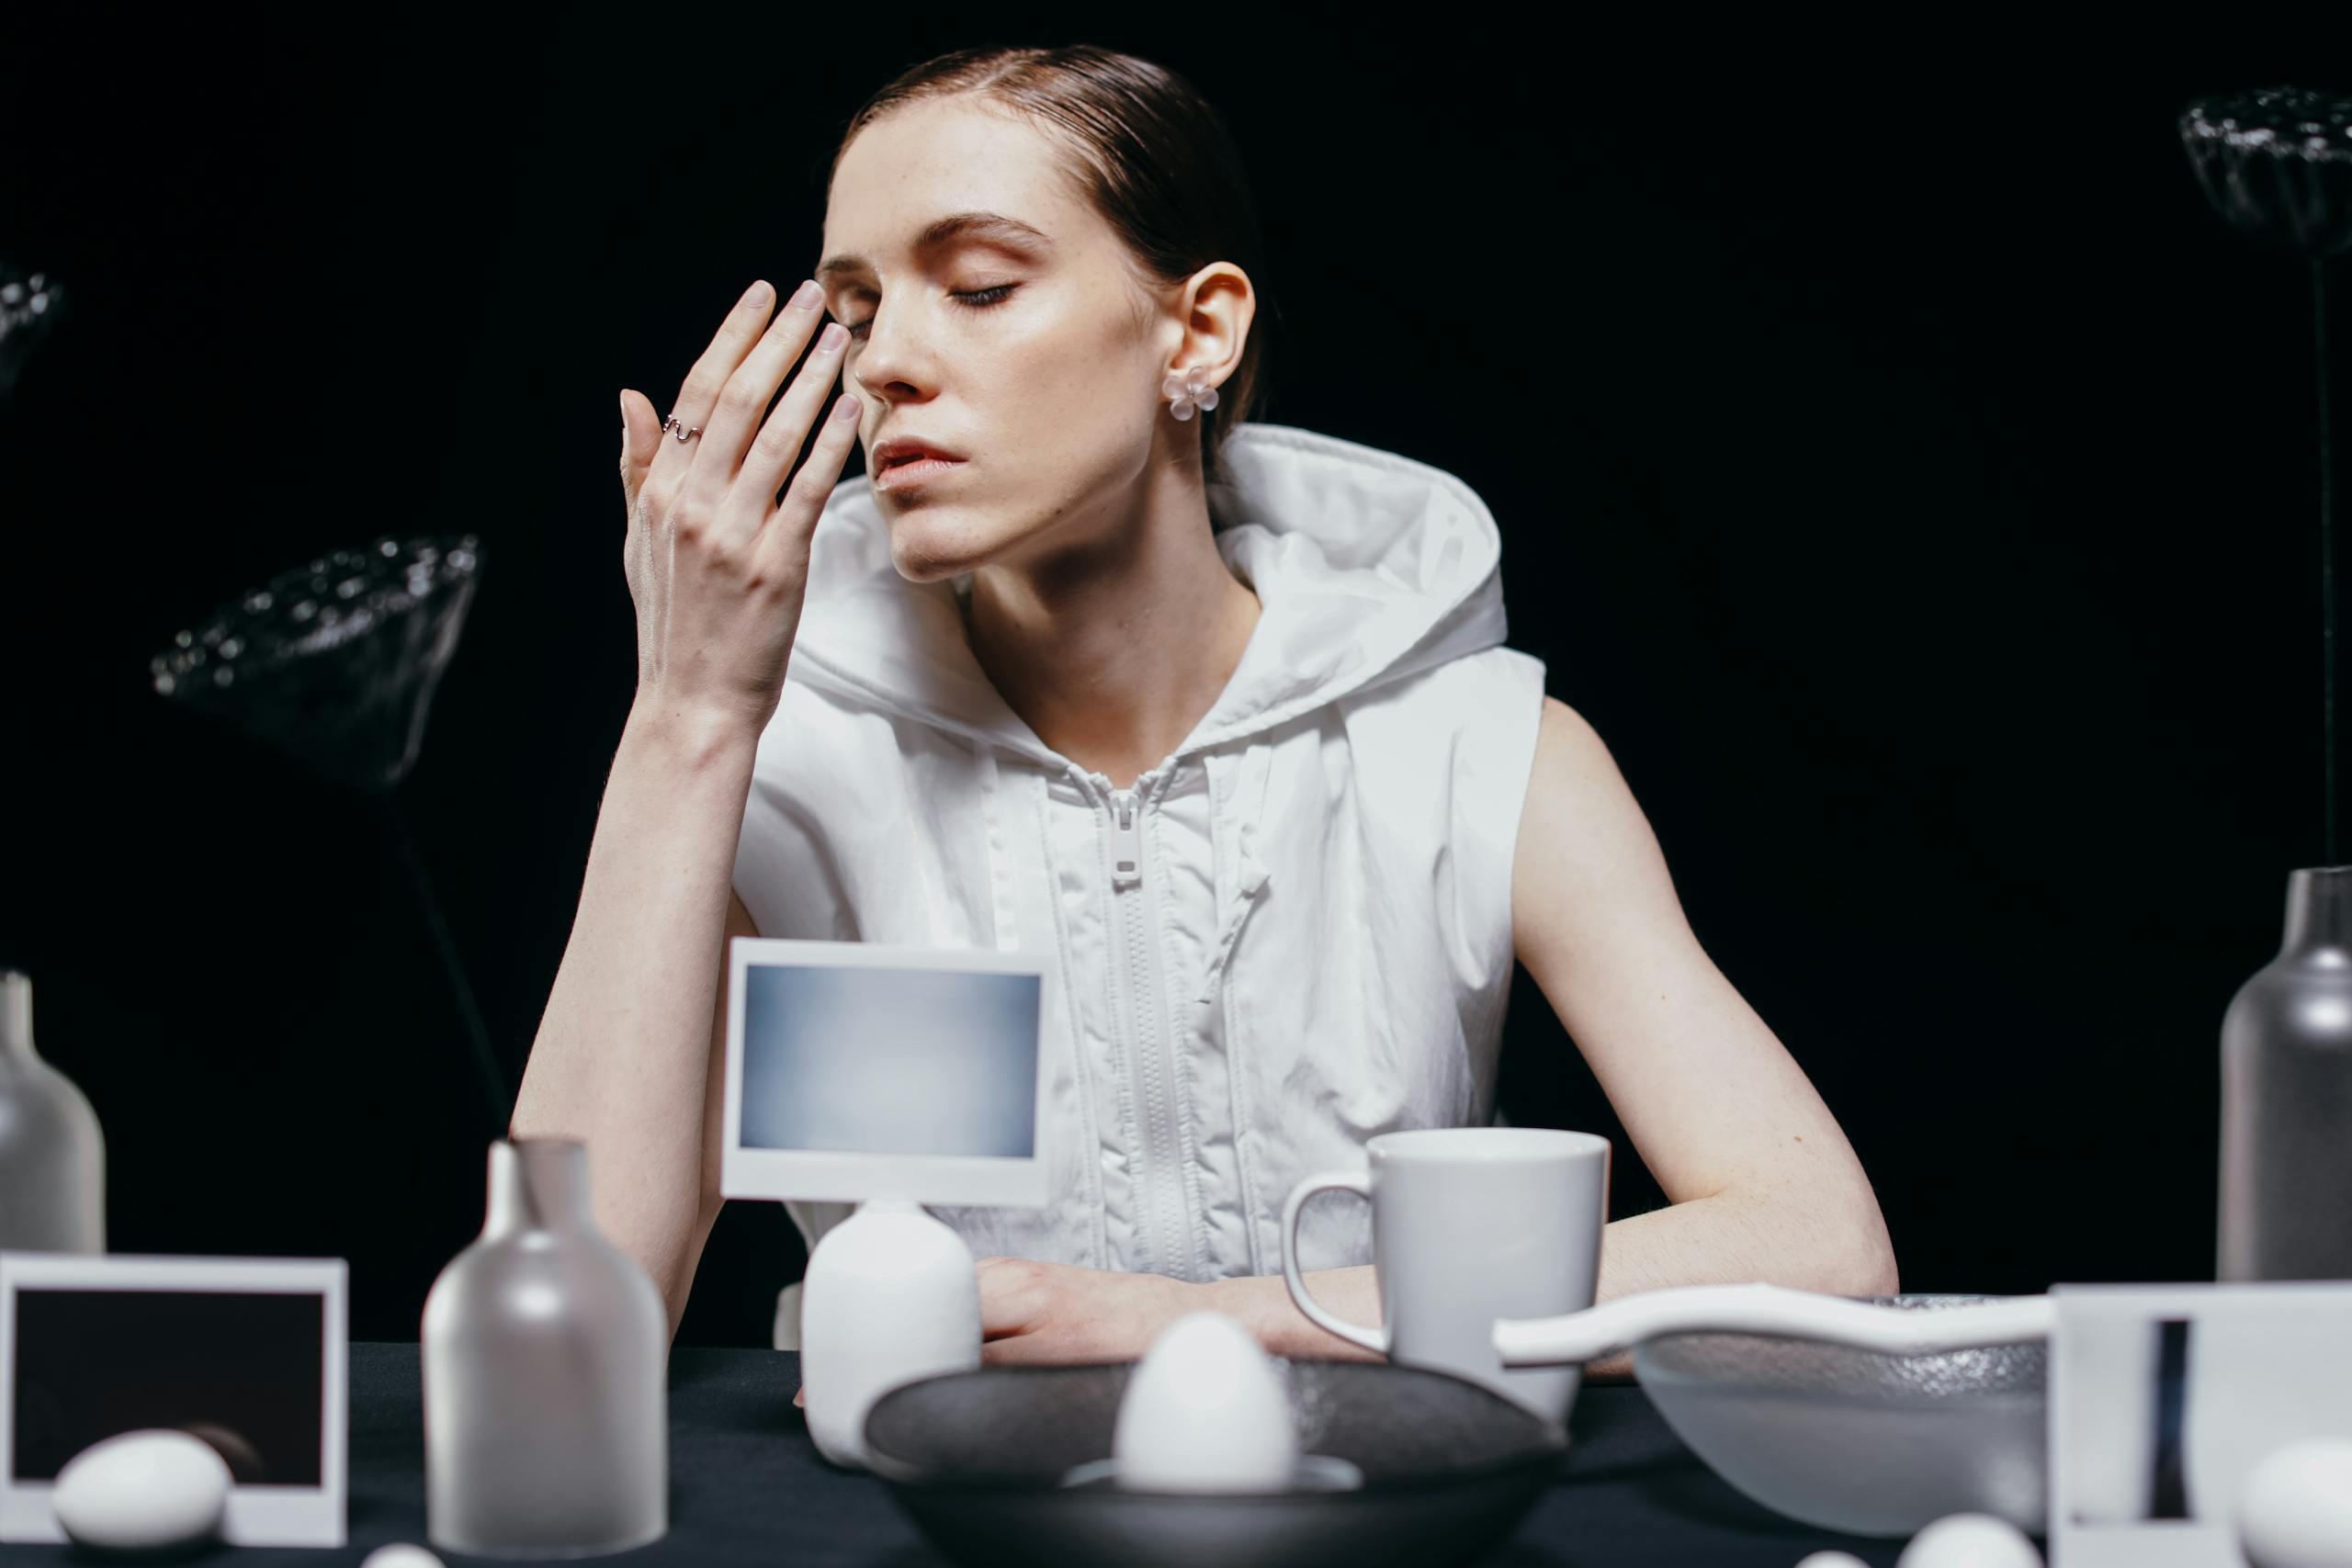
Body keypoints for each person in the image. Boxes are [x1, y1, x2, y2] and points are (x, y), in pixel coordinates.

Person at [509, 43, 1898, 1392]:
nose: (887, 366)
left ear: (1200, 328)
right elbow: (566, 1335)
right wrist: (688, 714)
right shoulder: (786, 771)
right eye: (859, 311)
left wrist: (1214, 1322)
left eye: (981, 285)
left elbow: (1819, 1247)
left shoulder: (1481, 748)